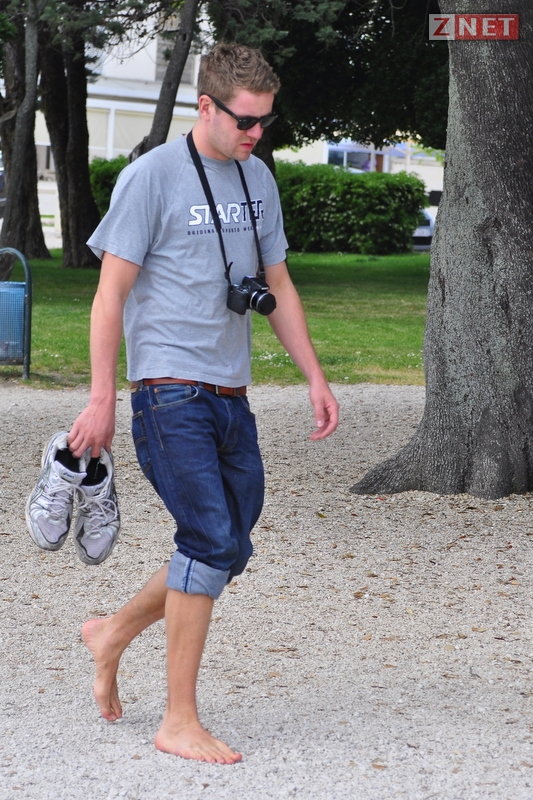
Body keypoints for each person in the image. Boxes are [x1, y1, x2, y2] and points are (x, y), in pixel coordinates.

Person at [68, 42, 339, 765]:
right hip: (168, 392)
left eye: (265, 121)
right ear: (206, 106)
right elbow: (108, 295)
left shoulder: (258, 177)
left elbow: (277, 284)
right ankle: (177, 720)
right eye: (244, 120)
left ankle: (112, 632)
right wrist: (101, 398)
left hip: (231, 394)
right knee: (209, 540)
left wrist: (314, 376)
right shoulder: (151, 176)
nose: (255, 132)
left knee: (228, 544)